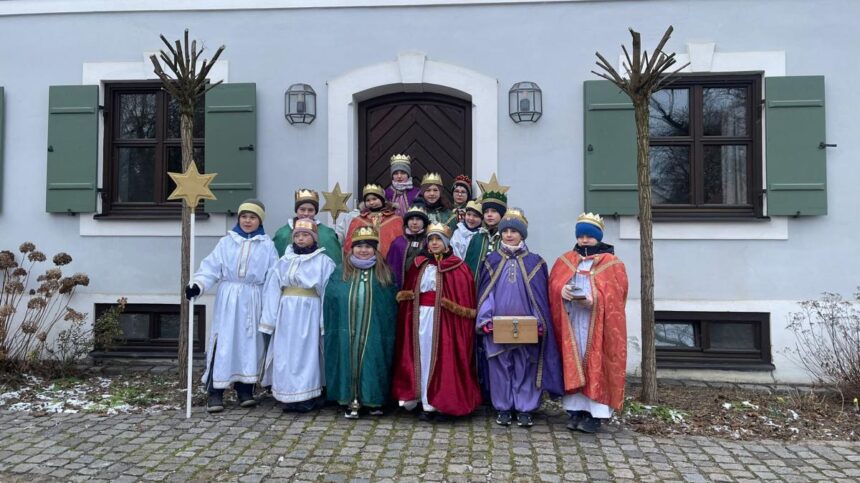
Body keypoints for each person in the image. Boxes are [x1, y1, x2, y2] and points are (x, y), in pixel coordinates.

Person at [187, 199, 278, 413]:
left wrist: (271, 307)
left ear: (260, 221)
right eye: (244, 216)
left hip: (254, 299)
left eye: (252, 217)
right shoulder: (227, 242)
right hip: (229, 299)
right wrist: (198, 285)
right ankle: (215, 392)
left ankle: (245, 389)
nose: (247, 221)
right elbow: (211, 268)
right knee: (224, 342)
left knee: (250, 344)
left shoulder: (267, 245)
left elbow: (273, 276)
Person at [475, 208, 563, 427]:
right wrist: (485, 319)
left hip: (527, 326)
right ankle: (503, 407)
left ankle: (525, 408)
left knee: (526, 366)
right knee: (499, 366)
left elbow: (539, 297)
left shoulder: (536, 262)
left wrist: (539, 321)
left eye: (514, 231)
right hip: (497, 326)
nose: (509, 235)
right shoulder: (491, 260)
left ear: (522, 234)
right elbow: (486, 293)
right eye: (505, 231)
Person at [391, 222, 482, 420]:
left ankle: (442, 404)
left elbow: (464, 299)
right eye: (431, 239)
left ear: (446, 243)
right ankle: (424, 401)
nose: (434, 243)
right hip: (419, 318)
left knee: (444, 358)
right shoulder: (419, 265)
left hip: (445, 322)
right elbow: (409, 293)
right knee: (421, 357)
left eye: (438, 240)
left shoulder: (459, 267)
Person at [548, 213, 628, 433]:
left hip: (597, 323)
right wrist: (561, 290)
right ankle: (575, 410)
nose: (584, 240)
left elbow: (617, 294)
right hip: (573, 321)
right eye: (581, 236)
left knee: (595, 362)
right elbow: (553, 283)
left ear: (598, 237)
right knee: (575, 360)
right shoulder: (566, 260)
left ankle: (595, 414)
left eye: (589, 236)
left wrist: (595, 300)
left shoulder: (612, 263)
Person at [260, 219, 336, 412]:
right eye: (298, 235)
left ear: (314, 238)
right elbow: (273, 290)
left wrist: (323, 321)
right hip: (286, 313)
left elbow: (327, 292)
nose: (301, 239)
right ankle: (287, 395)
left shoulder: (323, 262)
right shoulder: (283, 261)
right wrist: (269, 319)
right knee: (285, 353)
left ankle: (307, 396)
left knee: (306, 354)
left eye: (305, 235)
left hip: (310, 312)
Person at [323, 226, 398, 419]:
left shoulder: (383, 272)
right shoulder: (340, 272)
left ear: (375, 249)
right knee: (347, 360)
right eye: (359, 246)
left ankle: (374, 400)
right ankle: (349, 399)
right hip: (346, 329)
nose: (363, 250)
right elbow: (332, 301)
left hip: (374, 330)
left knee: (374, 360)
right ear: (352, 248)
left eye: (368, 247)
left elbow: (389, 307)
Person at [272, 189, 342, 266]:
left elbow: (335, 264)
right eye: (302, 209)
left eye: (310, 210)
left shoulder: (327, 235)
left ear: (315, 212)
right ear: (296, 210)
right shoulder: (283, 234)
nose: (306, 213)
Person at [344, 184, 404, 259]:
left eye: (374, 199)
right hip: (363, 261)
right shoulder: (358, 220)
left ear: (382, 200)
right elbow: (349, 245)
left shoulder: (395, 220)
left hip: (388, 262)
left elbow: (401, 244)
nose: (371, 202)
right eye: (368, 200)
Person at [464, 190, 507, 282]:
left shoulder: (507, 238)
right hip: (476, 285)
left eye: (494, 211)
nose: (489, 215)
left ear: (502, 214)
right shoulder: (477, 237)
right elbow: (467, 265)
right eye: (486, 212)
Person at [386, 205, 430, 288]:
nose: (414, 222)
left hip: (424, 285)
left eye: (418, 219)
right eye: (411, 219)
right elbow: (391, 266)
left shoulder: (429, 242)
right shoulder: (398, 242)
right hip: (403, 286)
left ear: (424, 222)